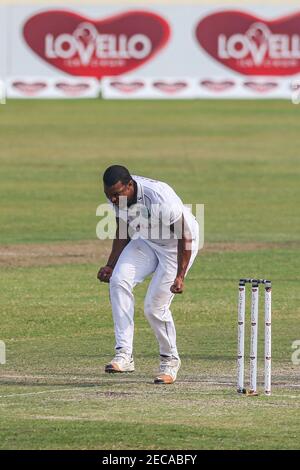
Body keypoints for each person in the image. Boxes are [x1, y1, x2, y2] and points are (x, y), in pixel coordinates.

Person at [97, 165, 199, 384]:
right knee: (118, 281)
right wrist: (110, 265)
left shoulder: (160, 197)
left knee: (154, 308)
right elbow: (122, 229)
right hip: (148, 241)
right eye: (109, 196)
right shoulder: (116, 197)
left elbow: (185, 236)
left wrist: (180, 275)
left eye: (116, 195)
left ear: (130, 186)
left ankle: (170, 361)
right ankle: (124, 354)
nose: (113, 200)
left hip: (176, 248)